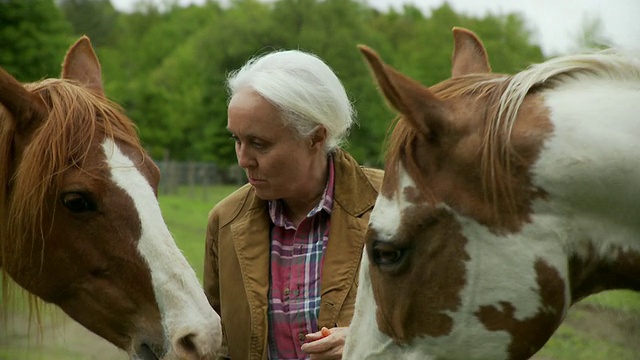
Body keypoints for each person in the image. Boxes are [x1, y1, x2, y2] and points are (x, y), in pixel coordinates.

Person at [203, 49, 383, 360]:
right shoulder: (226, 221)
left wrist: (364, 344)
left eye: (259, 143)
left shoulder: (392, 206)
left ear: (316, 137)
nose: (243, 160)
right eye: (237, 140)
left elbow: (440, 329)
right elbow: (219, 344)